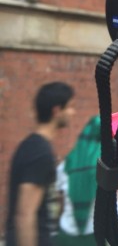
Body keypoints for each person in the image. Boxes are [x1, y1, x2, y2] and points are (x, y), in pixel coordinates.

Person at [5, 81, 75, 246]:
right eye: (70, 107)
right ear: (57, 111)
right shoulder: (39, 151)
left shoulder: (35, 147)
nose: (73, 112)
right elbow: (25, 214)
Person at [54, 115, 118, 245]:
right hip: (91, 238)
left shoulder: (66, 164)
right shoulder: (104, 168)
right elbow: (114, 206)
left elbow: (58, 198)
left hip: (64, 236)